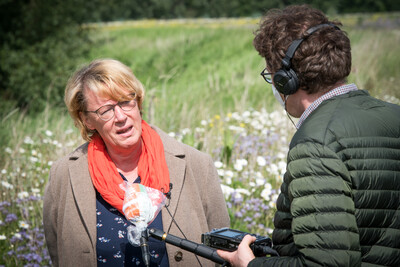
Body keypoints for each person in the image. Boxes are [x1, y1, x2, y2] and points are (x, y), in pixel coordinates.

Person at [218, 4, 400, 267]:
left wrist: (251, 265)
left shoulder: (316, 143)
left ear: (286, 80)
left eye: (271, 75)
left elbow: (327, 263)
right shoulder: (393, 114)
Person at [43, 58, 230, 266]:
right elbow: (59, 253)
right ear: (87, 120)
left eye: (125, 102)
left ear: (138, 102)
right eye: (106, 110)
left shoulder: (197, 165)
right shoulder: (64, 174)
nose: (121, 116)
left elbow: (223, 252)